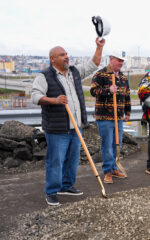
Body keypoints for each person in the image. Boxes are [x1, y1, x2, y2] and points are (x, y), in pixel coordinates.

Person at [31, 38, 105, 206]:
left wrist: (99, 47)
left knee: (72, 160)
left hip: (75, 127)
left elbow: (94, 64)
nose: (66, 57)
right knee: (55, 161)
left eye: (66, 54)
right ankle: (51, 191)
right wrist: (54, 100)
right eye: (62, 55)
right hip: (57, 129)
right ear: (52, 59)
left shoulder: (74, 72)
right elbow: (35, 96)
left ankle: (66, 186)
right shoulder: (44, 76)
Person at [90, 52, 131, 183]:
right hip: (105, 117)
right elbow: (93, 91)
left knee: (116, 144)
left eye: (122, 61)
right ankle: (107, 171)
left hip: (118, 117)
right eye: (118, 60)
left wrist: (128, 112)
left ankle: (113, 168)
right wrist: (108, 90)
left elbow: (127, 96)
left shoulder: (123, 78)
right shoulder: (100, 74)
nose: (120, 63)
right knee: (107, 145)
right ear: (111, 59)